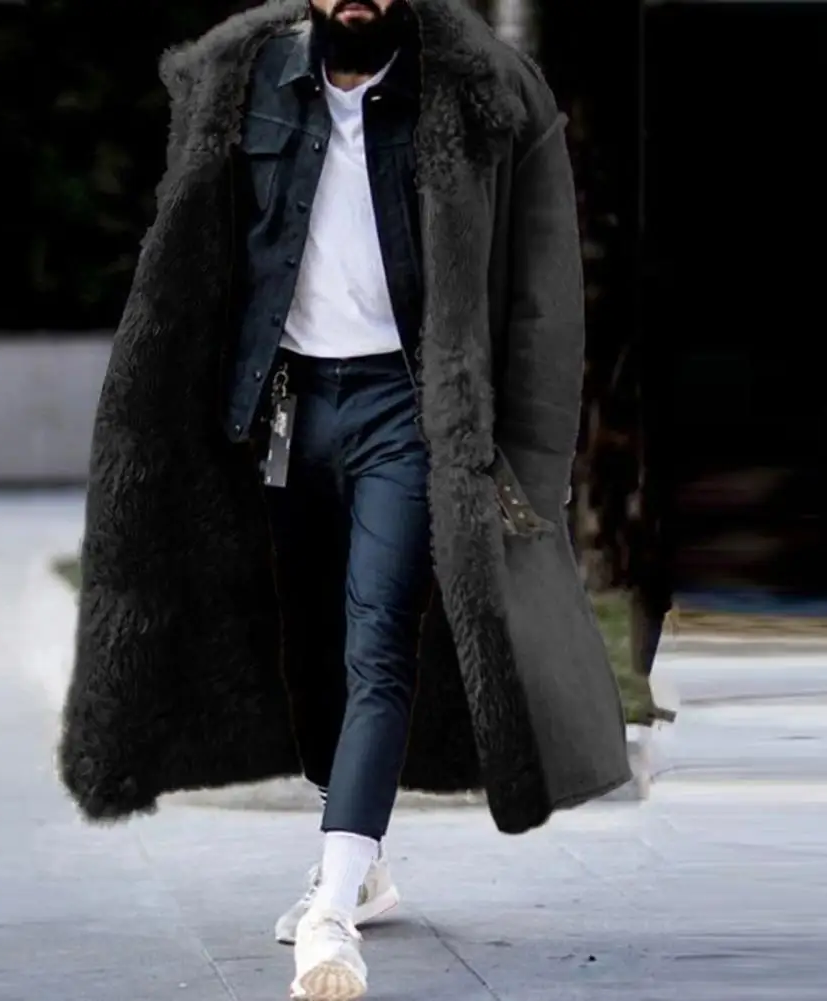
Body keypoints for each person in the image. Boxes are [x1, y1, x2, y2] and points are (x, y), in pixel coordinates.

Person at [59, 1, 631, 998]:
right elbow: (193, 261)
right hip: (282, 406)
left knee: (377, 645)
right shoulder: (242, 84)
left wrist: (534, 471)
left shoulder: (480, 96)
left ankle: (329, 913)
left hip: (407, 410)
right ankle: (361, 865)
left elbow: (542, 301)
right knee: (309, 653)